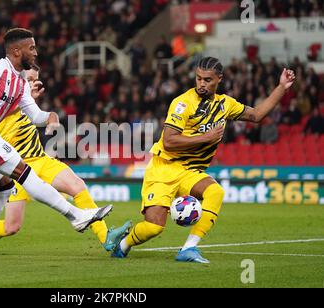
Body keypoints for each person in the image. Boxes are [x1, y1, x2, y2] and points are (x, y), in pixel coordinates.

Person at [0, 28, 112, 262]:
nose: (36, 52)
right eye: (31, 48)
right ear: (16, 50)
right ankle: (75, 216)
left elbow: (36, 115)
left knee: (4, 186)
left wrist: (51, 116)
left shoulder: (19, 85)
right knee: (24, 173)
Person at [111, 57, 295, 263]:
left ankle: (188, 249)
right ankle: (122, 244)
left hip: (190, 171)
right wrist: (205, 137)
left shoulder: (225, 105)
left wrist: (281, 87)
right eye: (198, 78)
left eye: (207, 80)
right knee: (154, 227)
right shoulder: (183, 103)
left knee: (215, 191)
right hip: (164, 169)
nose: (201, 83)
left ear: (219, 79)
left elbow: (256, 115)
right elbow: (170, 141)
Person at [0, 66, 131, 256]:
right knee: (12, 226)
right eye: (29, 79)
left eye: (35, 79)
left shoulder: (26, 102)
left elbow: (37, 116)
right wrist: (26, 96)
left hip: (41, 159)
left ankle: (107, 238)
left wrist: (36, 106)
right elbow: (12, 106)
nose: (32, 83)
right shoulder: (1, 101)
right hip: (16, 169)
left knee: (78, 186)